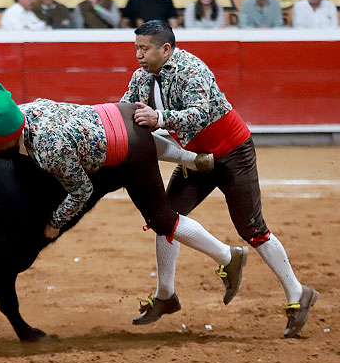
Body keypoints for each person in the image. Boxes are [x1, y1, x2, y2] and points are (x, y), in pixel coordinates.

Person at [0, 81, 248, 309]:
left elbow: (82, 191)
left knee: (162, 219)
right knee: (120, 144)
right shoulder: (24, 110)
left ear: (9, 137)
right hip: (121, 113)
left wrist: (55, 223)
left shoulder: (49, 149)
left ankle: (228, 256)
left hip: (130, 150)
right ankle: (191, 160)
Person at [122, 20, 317, 338]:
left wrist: (160, 118)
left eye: (144, 49)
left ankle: (298, 294)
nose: (139, 55)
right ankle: (165, 295)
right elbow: (126, 109)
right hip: (195, 158)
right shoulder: (140, 77)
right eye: (136, 48)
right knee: (165, 218)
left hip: (231, 152)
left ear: (166, 49)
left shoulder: (192, 69)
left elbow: (198, 113)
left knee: (252, 229)